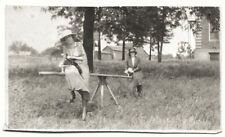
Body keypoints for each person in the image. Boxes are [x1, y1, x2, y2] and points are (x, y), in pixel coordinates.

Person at [59, 30, 90, 121]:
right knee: (69, 72)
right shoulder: (65, 47)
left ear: (72, 36)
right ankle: (72, 94)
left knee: (84, 88)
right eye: (66, 38)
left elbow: (84, 58)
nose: (68, 39)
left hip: (82, 66)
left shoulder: (79, 45)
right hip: (71, 66)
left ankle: (84, 111)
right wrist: (61, 64)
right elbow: (64, 58)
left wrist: (73, 57)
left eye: (69, 37)